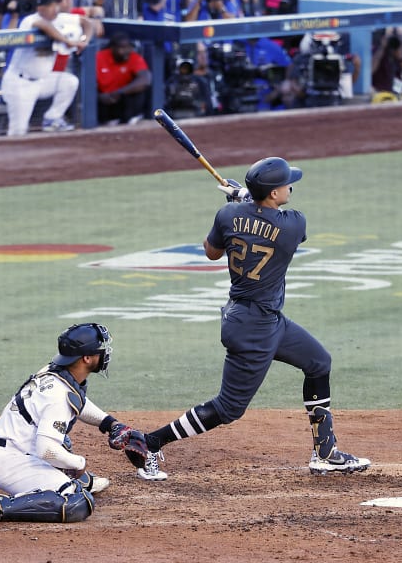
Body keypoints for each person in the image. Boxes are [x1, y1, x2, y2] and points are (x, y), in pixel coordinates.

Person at [132, 157, 371, 480]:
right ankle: (150, 442)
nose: (291, 186)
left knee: (318, 363)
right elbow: (270, 220)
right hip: (253, 328)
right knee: (229, 408)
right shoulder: (293, 225)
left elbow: (211, 252)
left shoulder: (228, 215)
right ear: (273, 193)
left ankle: (325, 453)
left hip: (263, 319)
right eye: (287, 183)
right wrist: (243, 197)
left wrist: (239, 203)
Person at [0, 323, 144, 525]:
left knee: (62, 442)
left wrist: (109, 423)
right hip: (10, 462)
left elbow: (77, 402)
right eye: (100, 349)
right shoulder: (58, 396)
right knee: (76, 502)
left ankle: (75, 479)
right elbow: (46, 450)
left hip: (8, 449)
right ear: (86, 358)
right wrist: (79, 464)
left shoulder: (55, 373)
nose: (105, 353)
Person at [1, 0, 89, 135]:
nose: (55, 9)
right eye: (50, 6)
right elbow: (43, 25)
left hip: (42, 81)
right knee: (18, 131)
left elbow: (87, 22)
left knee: (69, 81)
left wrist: (84, 39)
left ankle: (52, 118)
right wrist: (66, 41)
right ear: (40, 8)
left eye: (56, 4)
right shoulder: (29, 20)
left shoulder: (61, 18)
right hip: (20, 83)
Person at [96, 31, 151, 126]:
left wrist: (120, 92)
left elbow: (145, 80)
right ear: (112, 48)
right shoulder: (99, 57)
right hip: (103, 99)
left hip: (121, 97)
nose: (126, 51)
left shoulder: (133, 57)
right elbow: (89, 82)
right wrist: (98, 96)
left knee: (139, 91)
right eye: (122, 48)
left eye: (128, 47)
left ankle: (131, 118)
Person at [52, 0, 101, 75]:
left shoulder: (73, 13)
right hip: (49, 62)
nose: (68, 2)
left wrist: (84, 40)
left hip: (68, 63)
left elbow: (96, 12)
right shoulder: (48, 15)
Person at [370, 26, 402, 102]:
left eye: (400, 37)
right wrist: (381, 49)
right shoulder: (376, 51)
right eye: (391, 38)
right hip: (380, 96)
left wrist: (401, 57)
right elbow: (370, 70)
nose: (395, 40)